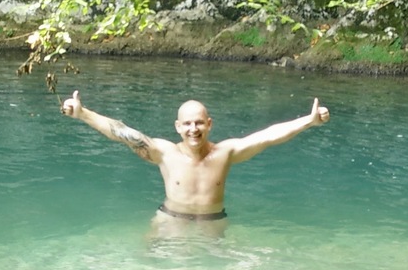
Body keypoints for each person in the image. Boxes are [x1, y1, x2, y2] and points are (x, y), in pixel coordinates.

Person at [61, 91, 331, 222]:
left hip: (213, 223)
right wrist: (83, 114)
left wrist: (308, 122)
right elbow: (122, 133)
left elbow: (268, 136)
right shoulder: (164, 153)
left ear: (209, 124)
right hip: (170, 221)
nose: (194, 129)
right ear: (177, 126)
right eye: (187, 124)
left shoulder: (226, 153)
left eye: (199, 123)